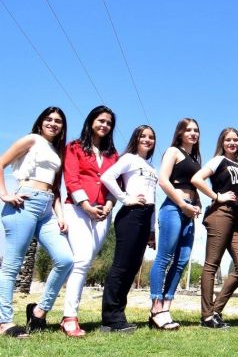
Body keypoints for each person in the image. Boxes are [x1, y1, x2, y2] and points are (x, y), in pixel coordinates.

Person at [0, 107, 72, 338]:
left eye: (58, 121)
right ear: (40, 122)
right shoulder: (32, 139)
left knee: (65, 259)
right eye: (48, 119)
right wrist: (4, 194)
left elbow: (55, 188)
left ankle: (39, 311)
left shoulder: (56, 150)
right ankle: (5, 322)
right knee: (12, 266)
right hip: (25, 202)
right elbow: (0, 163)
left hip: (48, 208)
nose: (53, 123)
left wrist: (60, 215)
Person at [62, 105, 119, 336]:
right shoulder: (74, 147)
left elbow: (115, 185)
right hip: (77, 210)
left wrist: (108, 205)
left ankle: (43, 309)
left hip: (103, 213)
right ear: (91, 121)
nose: (104, 125)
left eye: (109, 123)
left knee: (83, 262)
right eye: (101, 121)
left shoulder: (112, 155)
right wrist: (86, 206)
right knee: (82, 260)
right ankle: (69, 317)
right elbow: (71, 178)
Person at [99, 125, 158, 332]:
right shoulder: (129, 158)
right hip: (130, 215)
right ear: (136, 138)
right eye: (143, 136)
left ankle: (118, 314)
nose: (147, 140)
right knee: (121, 266)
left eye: (151, 137)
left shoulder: (151, 167)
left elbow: (153, 198)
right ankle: (110, 317)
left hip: (146, 216)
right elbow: (107, 177)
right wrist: (126, 199)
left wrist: (152, 231)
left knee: (133, 266)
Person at [192, 128, 238, 329]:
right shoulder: (218, 161)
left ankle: (215, 309)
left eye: (235, 140)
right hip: (221, 213)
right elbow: (197, 179)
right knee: (212, 265)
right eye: (228, 140)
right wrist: (217, 196)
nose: (232, 143)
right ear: (222, 142)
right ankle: (207, 316)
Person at [149, 118, 201, 330]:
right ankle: (156, 307)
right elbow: (163, 180)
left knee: (182, 259)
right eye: (188, 130)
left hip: (190, 209)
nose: (193, 133)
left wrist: (196, 202)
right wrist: (182, 204)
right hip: (173, 207)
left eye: (196, 130)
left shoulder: (194, 158)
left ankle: (167, 306)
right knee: (164, 258)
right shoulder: (173, 151)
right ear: (180, 133)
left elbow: (193, 185)